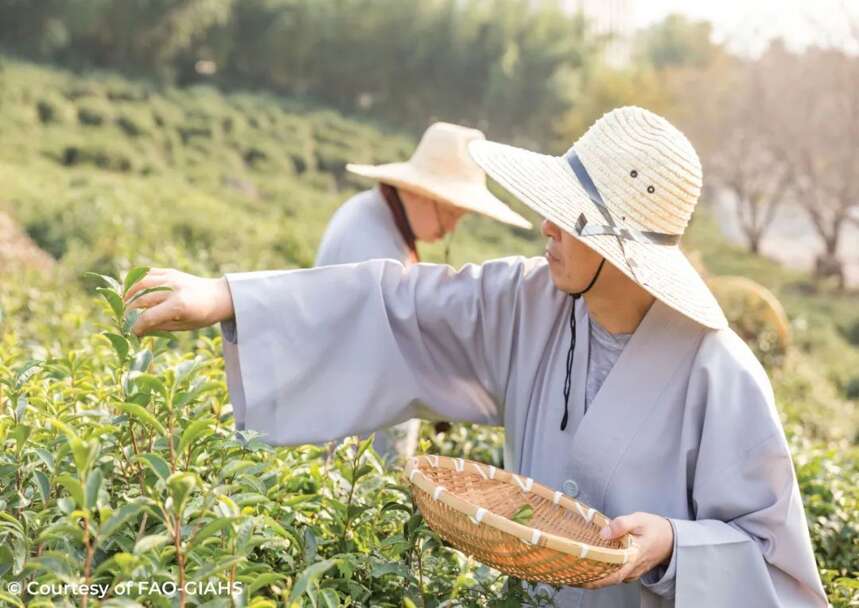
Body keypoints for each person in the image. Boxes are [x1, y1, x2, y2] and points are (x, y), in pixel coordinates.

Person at [125, 106, 827, 607]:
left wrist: (673, 546)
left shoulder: (719, 373)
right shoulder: (531, 300)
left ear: (620, 252)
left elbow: (778, 572)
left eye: (570, 219)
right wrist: (229, 298)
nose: (545, 226)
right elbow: (402, 304)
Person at [315, 121, 531, 461]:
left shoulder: (372, 217)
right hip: (351, 449)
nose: (450, 228)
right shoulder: (373, 245)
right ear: (418, 192)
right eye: (449, 212)